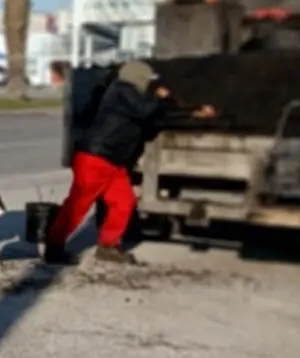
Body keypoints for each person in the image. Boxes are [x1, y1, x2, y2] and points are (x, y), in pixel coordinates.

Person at [45, 60, 217, 266]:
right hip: (96, 157)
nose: (150, 84)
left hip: (114, 160)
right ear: (137, 76)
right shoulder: (121, 91)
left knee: (123, 202)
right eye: (148, 80)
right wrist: (160, 97)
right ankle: (54, 247)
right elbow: (146, 110)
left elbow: (158, 115)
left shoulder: (136, 96)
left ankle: (108, 246)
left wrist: (193, 112)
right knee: (78, 204)